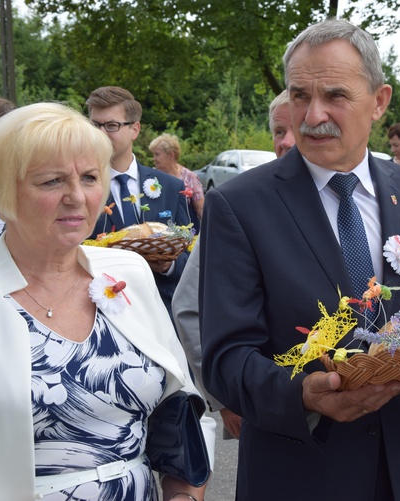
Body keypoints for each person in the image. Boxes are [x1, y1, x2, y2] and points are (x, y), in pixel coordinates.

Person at [199, 19, 400, 500]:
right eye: (300, 95)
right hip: (301, 475)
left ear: (380, 102)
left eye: (335, 96)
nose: (312, 114)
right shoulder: (240, 205)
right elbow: (225, 359)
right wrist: (302, 394)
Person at [0, 102, 216, 500]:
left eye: (89, 177)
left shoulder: (128, 272)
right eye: (52, 181)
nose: (77, 197)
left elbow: (181, 402)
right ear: (3, 191)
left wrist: (186, 492)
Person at [173, 89, 295, 443]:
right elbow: (190, 306)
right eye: (277, 131)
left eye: (295, 129)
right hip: (272, 415)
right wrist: (227, 396)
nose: (285, 142)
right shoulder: (241, 204)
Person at [86, 86, 190, 318]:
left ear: (135, 129)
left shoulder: (171, 188)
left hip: (161, 311)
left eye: (111, 126)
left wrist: (169, 265)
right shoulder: (79, 190)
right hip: (101, 315)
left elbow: (193, 256)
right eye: (94, 125)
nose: (100, 133)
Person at [149, 133, 204, 226]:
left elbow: (201, 209)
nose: (153, 159)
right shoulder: (151, 178)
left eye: (157, 154)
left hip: (187, 234)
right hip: (159, 234)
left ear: (171, 155)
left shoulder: (190, 177)